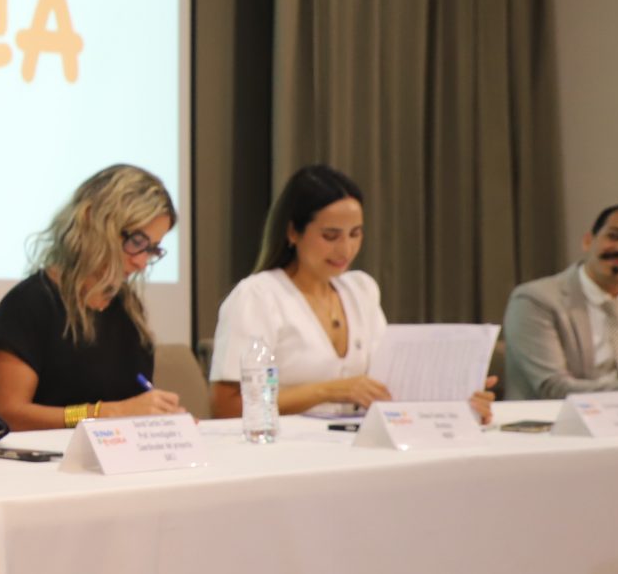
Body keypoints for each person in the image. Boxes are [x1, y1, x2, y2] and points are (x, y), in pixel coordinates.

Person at [209, 165, 493, 422]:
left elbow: (389, 388)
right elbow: (227, 406)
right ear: (293, 232)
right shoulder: (258, 296)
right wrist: (327, 391)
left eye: (355, 234)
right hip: (285, 450)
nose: (345, 249)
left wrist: (456, 400)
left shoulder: (361, 290)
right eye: (330, 236)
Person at [0, 164, 184, 431]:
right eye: (137, 242)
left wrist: (162, 420)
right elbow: (9, 414)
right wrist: (101, 414)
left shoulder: (128, 309)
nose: (141, 262)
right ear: (91, 221)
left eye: (152, 250)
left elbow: (131, 408)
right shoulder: (28, 304)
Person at [502, 201, 618, 400]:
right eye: (615, 236)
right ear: (588, 241)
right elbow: (553, 388)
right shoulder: (535, 299)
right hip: (557, 417)